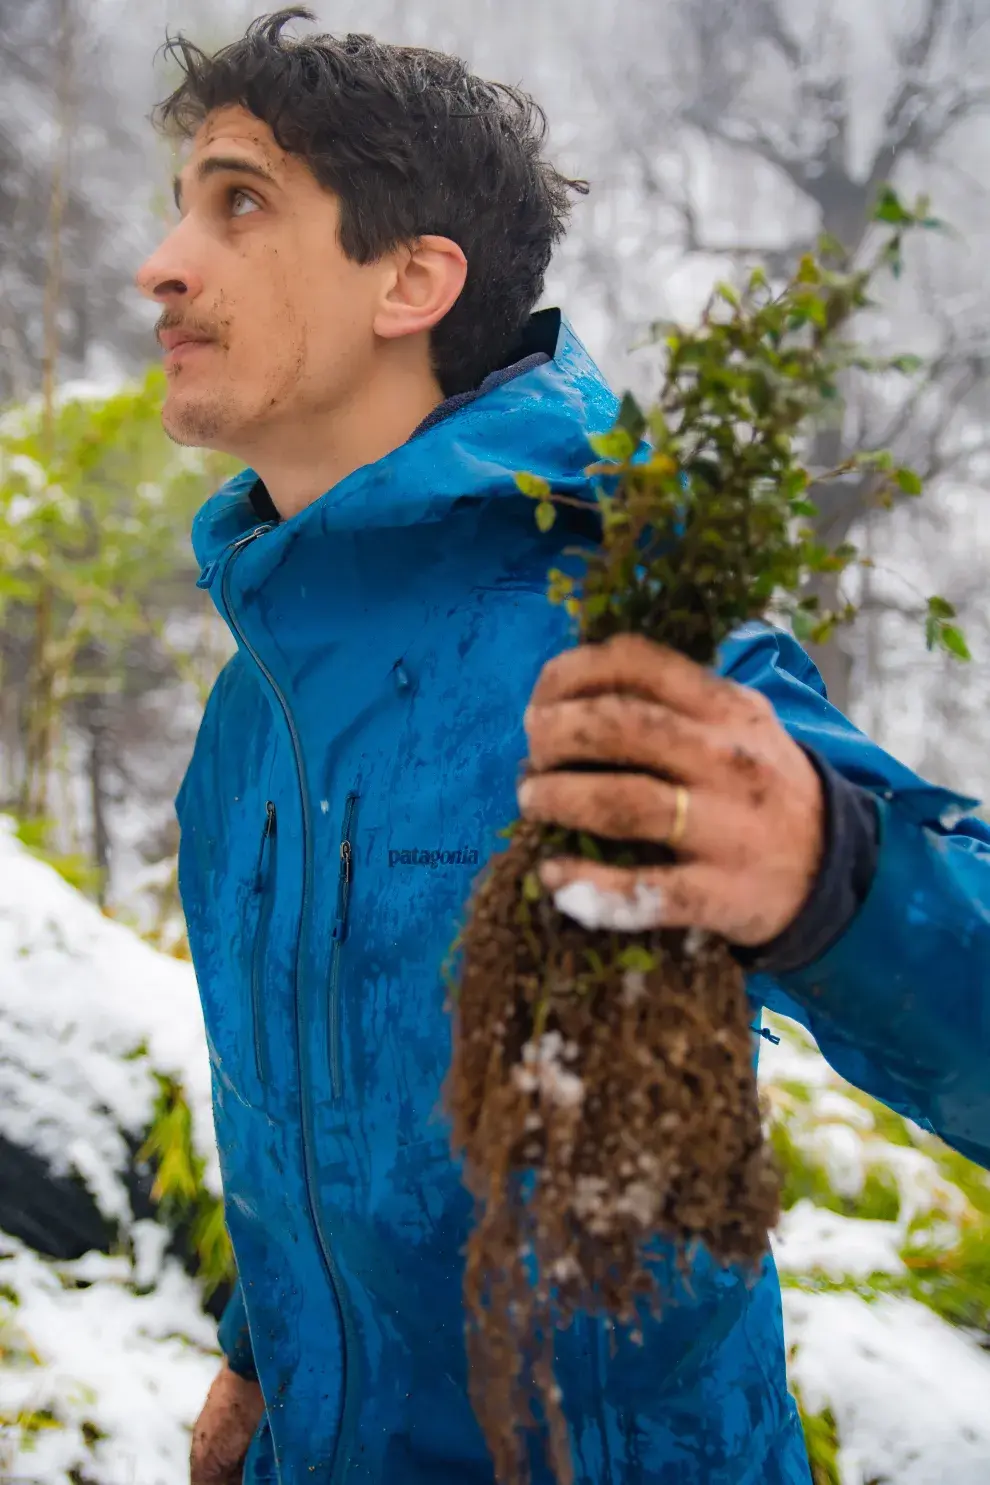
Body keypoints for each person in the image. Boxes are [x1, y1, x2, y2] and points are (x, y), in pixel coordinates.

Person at [136, 10, 990, 1484]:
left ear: (412, 278)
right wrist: (257, 1357)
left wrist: (834, 877)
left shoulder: (619, 634)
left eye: (240, 200)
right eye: (179, 209)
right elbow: (320, 1114)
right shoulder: (246, 719)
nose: (163, 263)